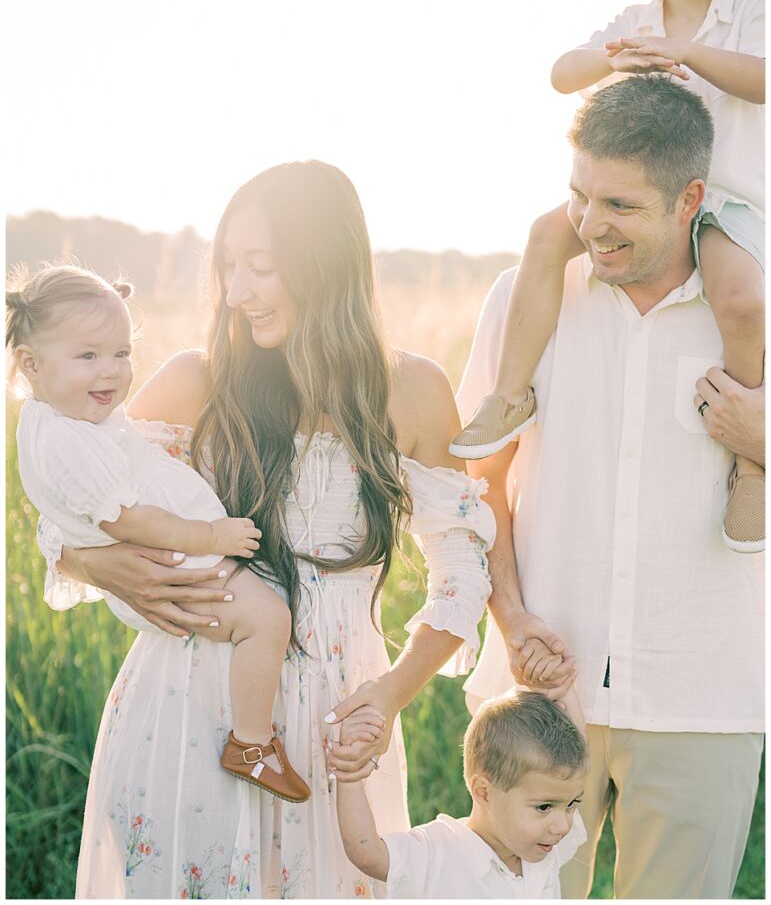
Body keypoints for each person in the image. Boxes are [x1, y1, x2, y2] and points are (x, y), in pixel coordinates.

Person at [30, 160, 566, 898]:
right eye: (228, 266)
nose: (236, 289)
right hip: (190, 701)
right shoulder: (198, 381)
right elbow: (64, 508)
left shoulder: (410, 392)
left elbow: (462, 570)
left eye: (260, 266)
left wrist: (388, 695)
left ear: (325, 265)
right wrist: (99, 566)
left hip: (337, 716)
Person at [457, 76, 764, 899]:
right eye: (579, 197)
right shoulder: (523, 301)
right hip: (540, 698)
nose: (592, 224)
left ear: (688, 198)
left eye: (621, 206)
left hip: (706, 692)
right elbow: (474, 486)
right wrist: (511, 616)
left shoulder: (754, 310)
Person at [450, 0, 765, 554]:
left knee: (738, 297)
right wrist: (616, 56)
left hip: (724, 202)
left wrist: (685, 55)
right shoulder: (634, 17)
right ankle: (508, 396)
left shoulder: (752, 13)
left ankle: (749, 456)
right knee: (543, 235)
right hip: (634, 200)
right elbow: (562, 73)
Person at [7, 264, 310, 803]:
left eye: (122, 353)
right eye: (88, 356)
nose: (113, 372)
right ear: (30, 364)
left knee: (263, 612)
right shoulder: (63, 439)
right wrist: (212, 535)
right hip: (176, 563)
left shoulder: (73, 419)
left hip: (177, 555)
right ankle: (251, 742)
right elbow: (127, 521)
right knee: (268, 618)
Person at [335, 688, 588, 899]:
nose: (564, 825)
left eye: (572, 804)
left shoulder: (543, 845)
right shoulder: (438, 853)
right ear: (484, 793)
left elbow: (576, 764)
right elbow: (368, 855)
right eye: (544, 807)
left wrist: (563, 687)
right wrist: (349, 774)